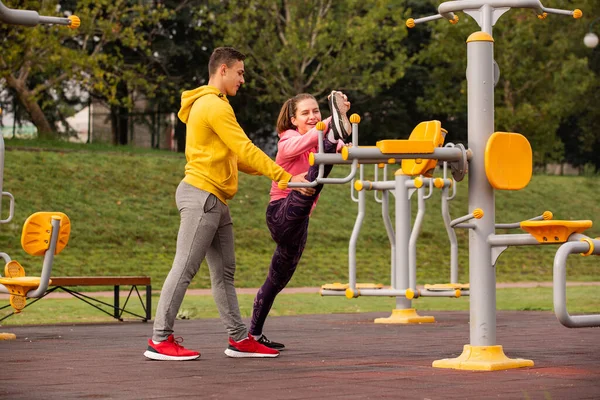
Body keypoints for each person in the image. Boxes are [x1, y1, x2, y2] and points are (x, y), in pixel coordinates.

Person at [143, 47, 311, 361]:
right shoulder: (212, 105)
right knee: (185, 268)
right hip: (202, 196)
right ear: (223, 70)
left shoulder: (211, 105)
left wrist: (283, 172)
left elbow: (237, 157)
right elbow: (245, 148)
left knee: (225, 273)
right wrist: (285, 178)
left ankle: (238, 339)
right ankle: (159, 339)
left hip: (215, 199)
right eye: (240, 72)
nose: (242, 79)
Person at [248, 91, 352, 350]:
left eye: (316, 111)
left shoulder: (315, 139)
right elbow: (297, 146)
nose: (312, 116)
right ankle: (334, 128)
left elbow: (346, 151)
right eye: (305, 113)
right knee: (323, 153)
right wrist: (331, 123)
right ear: (293, 120)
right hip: (280, 213)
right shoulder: (288, 139)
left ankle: (254, 335)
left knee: (276, 282)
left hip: (299, 222)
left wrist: (346, 144)